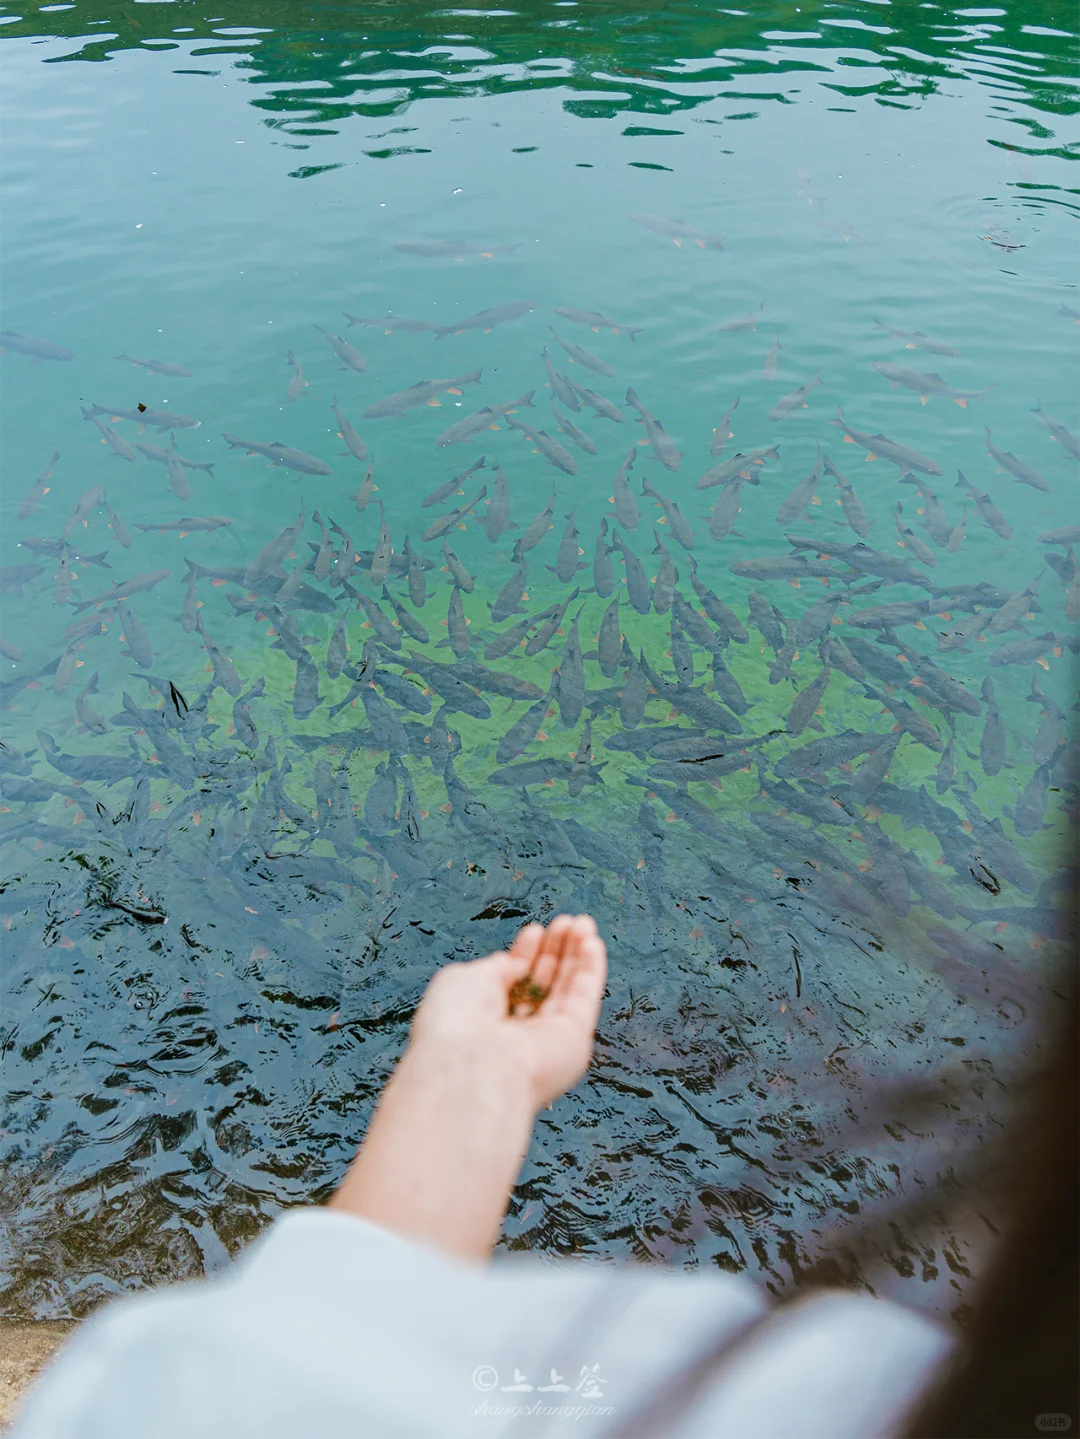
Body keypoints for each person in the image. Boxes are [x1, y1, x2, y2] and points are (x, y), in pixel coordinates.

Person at [10, 915, 1076, 1437]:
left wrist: (472, 1072)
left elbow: (293, 1372)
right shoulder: (873, 1389)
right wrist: (479, 1071)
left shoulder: (167, 1388)